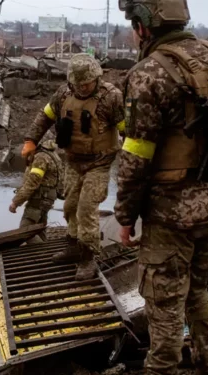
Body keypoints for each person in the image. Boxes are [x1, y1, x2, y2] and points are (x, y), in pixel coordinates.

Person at [115, 1, 208, 374]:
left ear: (144, 26)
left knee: (164, 306)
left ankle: (162, 369)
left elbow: (135, 158)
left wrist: (125, 216)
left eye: (133, 25)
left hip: (169, 215)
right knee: (198, 292)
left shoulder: (149, 73)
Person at [22, 53, 125, 280]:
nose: (83, 88)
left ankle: (88, 257)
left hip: (99, 163)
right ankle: (72, 244)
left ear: (96, 78)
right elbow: (45, 116)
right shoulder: (63, 94)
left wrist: (133, 161)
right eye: (79, 84)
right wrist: (31, 140)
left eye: (87, 83)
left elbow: (129, 131)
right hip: (73, 160)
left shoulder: (112, 98)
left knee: (87, 208)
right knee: (69, 206)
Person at [9, 140, 64, 243]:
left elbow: (32, 183)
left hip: (39, 200)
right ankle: (47, 251)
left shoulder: (41, 158)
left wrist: (16, 202)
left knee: (24, 231)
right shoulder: (53, 155)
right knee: (38, 229)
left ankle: (43, 254)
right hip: (48, 198)